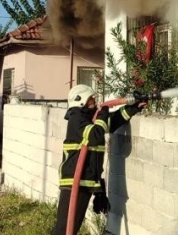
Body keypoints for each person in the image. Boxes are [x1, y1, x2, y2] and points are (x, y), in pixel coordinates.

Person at [52, 85, 145, 235]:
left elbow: (112, 122)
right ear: (80, 100)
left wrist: (134, 108)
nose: (95, 101)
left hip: (86, 182)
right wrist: (103, 113)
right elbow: (94, 136)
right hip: (74, 183)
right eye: (91, 98)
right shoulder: (76, 118)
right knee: (64, 231)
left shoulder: (89, 119)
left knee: (70, 230)